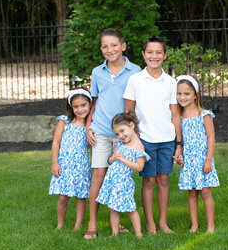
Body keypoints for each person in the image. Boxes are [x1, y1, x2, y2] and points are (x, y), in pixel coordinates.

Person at [84, 28, 141, 239]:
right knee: (98, 175)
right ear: (101, 49)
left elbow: (136, 103)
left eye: (114, 45)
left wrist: (133, 132)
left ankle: (115, 223)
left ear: (123, 46)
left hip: (123, 135)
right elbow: (95, 101)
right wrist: (89, 125)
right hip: (99, 130)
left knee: (117, 177)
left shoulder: (135, 71)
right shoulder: (97, 72)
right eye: (105, 46)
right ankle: (92, 224)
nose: (110, 50)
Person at [123, 35, 182, 234]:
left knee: (163, 180)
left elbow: (175, 115)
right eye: (150, 52)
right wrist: (135, 139)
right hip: (145, 140)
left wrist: (178, 143)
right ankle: (150, 224)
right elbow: (128, 113)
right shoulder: (135, 80)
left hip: (166, 139)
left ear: (165, 55)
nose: (154, 56)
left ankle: (163, 223)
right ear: (143, 54)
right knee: (148, 181)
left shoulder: (171, 82)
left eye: (158, 52)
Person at [176, 75, 220, 233]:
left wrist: (208, 160)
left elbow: (211, 137)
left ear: (196, 94)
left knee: (205, 192)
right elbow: (179, 140)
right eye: (179, 94)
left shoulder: (204, 114)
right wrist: (179, 156)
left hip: (202, 159)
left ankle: (210, 225)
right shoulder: (179, 117)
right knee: (192, 192)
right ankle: (194, 225)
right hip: (188, 160)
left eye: (187, 94)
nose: (182, 97)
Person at [96, 112, 149, 238]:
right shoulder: (121, 144)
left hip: (123, 182)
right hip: (113, 181)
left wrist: (124, 160)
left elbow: (140, 166)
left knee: (130, 208)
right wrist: (113, 157)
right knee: (113, 208)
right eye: (117, 134)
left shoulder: (138, 147)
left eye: (122, 131)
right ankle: (115, 233)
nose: (120, 136)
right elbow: (109, 161)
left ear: (131, 125)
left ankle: (139, 234)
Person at [49, 87, 93, 230]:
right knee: (63, 197)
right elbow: (56, 142)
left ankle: (77, 225)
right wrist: (55, 163)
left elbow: (93, 146)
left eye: (83, 105)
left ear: (90, 105)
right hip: (65, 164)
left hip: (82, 165)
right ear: (71, 107)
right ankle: (60, 224)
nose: (80, 109)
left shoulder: (91, 126)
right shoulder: (65, 122)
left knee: (81, 197)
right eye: (76, 106)